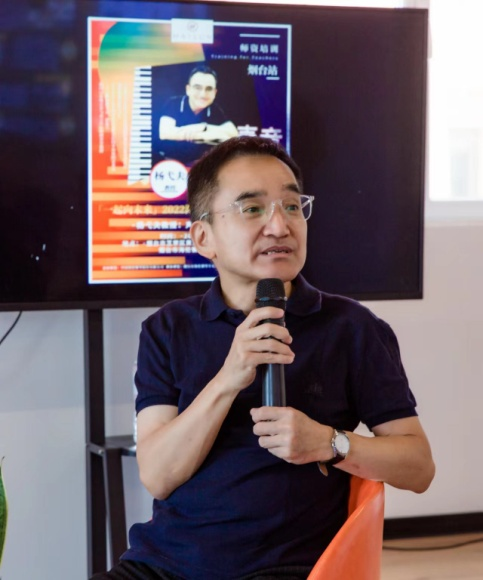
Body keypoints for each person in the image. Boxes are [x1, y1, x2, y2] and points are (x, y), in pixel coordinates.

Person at [92, 136, 435, 580]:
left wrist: (329, 443)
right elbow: (158, 475)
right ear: (203, 237)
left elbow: (418, 467)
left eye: (291, 206)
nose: (279, 226)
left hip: (285, 569)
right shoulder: (167, 329)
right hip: (162, 565)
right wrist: (229, 377)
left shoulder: (352, 328)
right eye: (252, 209)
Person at [156, 65, 238, 166]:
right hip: (170, 164)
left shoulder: (214, 109)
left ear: (215, 93)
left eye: (209, 89)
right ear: (188, 89)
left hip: (199, 166)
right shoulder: (174, 104)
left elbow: (233, 135)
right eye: (197, 88)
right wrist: (209, 133)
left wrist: (203, 127)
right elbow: (165, 133)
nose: (203, 94)